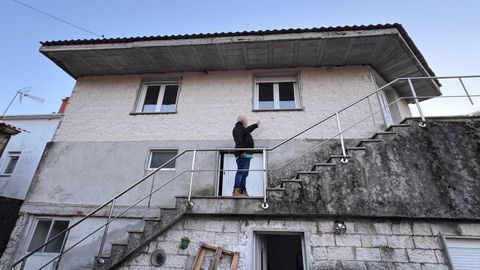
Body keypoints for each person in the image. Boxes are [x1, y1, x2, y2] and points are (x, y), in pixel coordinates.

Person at [232, 115, 260, 197]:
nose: (247, 123)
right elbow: (238, 140)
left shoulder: (243, 129)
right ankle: (236, 190)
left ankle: (242, 190)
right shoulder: (238, 128)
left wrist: (256, 125)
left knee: (245, 173)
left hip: (247, 154)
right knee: (241, 171)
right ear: (242, 120)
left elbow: (248, 129)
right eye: (246, 121)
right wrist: (242, 151)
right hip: (243, 154)